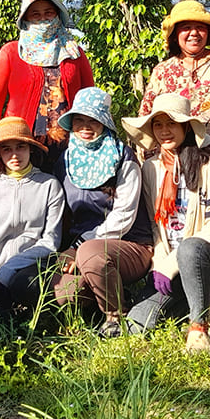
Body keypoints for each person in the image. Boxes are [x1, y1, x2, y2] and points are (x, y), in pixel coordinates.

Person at [139, 0, 210, 305]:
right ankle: (178, 287)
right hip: (174, 162)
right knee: (177, 221)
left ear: (208, 32)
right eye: (186, 28)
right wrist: (151, 162)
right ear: (175, 34)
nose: (193, 33)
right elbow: (148, 113)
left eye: (199, 27)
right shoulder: (163, 71)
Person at [122, 94, 210, 353]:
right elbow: (155, 227)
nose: (164, 131)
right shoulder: (150, 169)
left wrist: (172, 262)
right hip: (170, 265)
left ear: (186, 127)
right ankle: (195, 302)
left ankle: (199, 328)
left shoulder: (208, 167)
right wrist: (160, 264)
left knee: (190, 247)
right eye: (158, 125)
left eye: (171, 124)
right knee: (135, 324)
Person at [51, 87, 154, 337]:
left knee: (92, 256)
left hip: (129, 244)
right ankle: (109, 290)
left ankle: (116, 314)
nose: (86, 127)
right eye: (79, 120)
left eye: (93, 120)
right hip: (81, 247)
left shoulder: (122, 157)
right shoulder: (65, 161)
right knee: (65, 294)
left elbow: (124, 215)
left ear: (104, 123)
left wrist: (81, 248)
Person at [0, 0, 94, 170]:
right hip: (20, 150)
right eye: (35, 14)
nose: (43, 19)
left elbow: (90, 100)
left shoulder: (74, 53)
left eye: (48, 13)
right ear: (26, 19)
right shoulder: (11, 53)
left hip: (70, 148)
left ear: (58, 15)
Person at [0, 116, 65, 313]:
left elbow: (50, 241)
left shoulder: (49, 185)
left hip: (31, 267)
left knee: (26, 285)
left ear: (30, 149)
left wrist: (9, 268)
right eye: (6, 149)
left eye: (20, 147)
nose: (15, 155)